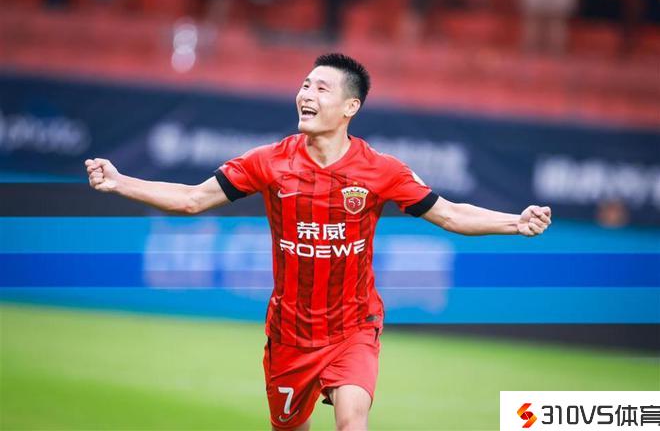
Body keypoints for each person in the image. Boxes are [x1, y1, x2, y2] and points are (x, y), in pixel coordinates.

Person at [85, 53, 552, 431]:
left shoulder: (381, 171)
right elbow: (192, 200)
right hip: (289, 334)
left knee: (352, 421)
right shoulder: (268, 162)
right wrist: (121, 182)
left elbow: (449, 213)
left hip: (353, 327)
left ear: (351, 107)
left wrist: (515, 222)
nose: (306, 94)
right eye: (305, 85)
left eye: (321, 88)